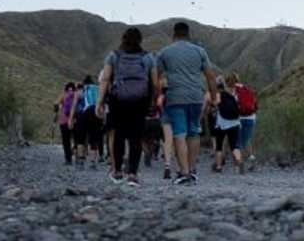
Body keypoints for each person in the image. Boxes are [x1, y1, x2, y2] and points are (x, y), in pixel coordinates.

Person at [155, 21, 219, 186]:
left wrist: (156, 95)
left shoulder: (165, 53)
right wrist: (213, 96)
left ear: (174, 34)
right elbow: (210, 76)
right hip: (196, 97)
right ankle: (191, 170)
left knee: (179, 134)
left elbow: (156, 77)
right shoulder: (200, 51)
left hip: (176, 97)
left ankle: (183, 173)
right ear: (188, 34)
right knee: (194, 132)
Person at [96, 27, 159, 187]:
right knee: (136, 137)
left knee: (118, 135)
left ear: (123, 39)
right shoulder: (148, 58)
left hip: (118, 100)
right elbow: (155, 83)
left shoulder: (114, 56)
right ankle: (132, 174)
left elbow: (105, 79)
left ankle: (117, 172)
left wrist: (100, 102)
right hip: (140, 101)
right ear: (140, 40)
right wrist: (153, 100)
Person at [212, 75, 245, 174]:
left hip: (221, 123)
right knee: (234, 145)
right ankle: (239, 162)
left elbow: (215, 103)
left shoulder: (221, 93)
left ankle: (218, 167)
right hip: (235, 122)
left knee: (219, 145)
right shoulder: (237, 92)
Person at [74, 75, 103, 169]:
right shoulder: (98, 89)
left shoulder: (81, 90)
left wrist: (71, 118)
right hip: (96, 114)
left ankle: (81, 161)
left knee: (81, 138)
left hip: (84, 114)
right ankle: (93, 162)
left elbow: (74, 105)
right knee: (93, 139)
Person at [235, 77, 259, 161]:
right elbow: (256, 106)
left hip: (239, 118)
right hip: (251, 118)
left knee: (239, 140)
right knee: (247, 138)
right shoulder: (247, 89)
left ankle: (240, 161)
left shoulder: (234, 91)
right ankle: (250, 157)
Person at [54, 82, 76, 165]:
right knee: (77, 140)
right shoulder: (76, 94)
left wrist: (56, 113)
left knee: (66, 141)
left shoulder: (64, 94)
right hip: (75, 120)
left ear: (66, 88)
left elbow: (56, 104)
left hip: (63, 121)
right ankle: (78, 157)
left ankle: (68, 159)